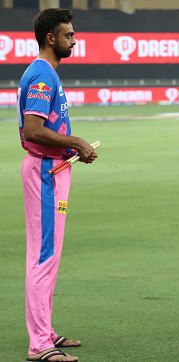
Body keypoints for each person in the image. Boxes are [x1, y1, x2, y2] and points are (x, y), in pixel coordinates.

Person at [19, 8, 98, 362]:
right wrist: (76, 141)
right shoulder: (41, 75)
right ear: (51, 38)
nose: (74, 39)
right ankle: (39, 345)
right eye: (68, 35)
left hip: (54, 169)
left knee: (49, 255)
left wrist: (71, 148)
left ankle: (45, 331)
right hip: (45, 174)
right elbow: (33, 129)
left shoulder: (48, 73)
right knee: (43, 256)